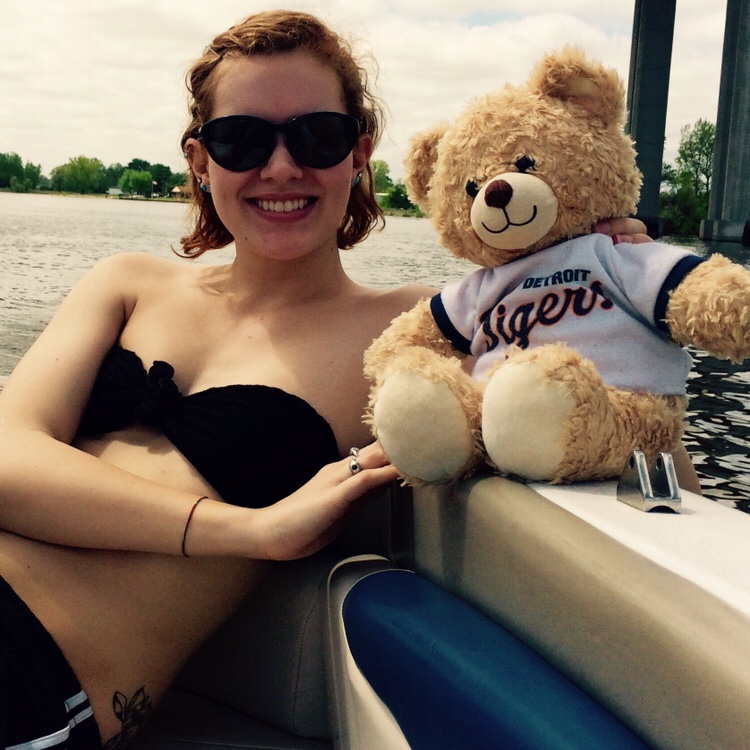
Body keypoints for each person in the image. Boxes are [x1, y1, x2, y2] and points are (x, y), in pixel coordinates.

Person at [0, 10, 694, 749]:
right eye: (241, 140)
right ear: (200, 161)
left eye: (316, 136)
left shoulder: (420, 331)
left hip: (35, 674)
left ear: (359, 153)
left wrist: (610, 295)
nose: (280, 167)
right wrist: (253, 530)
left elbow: (631, 442)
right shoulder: (127, 283)